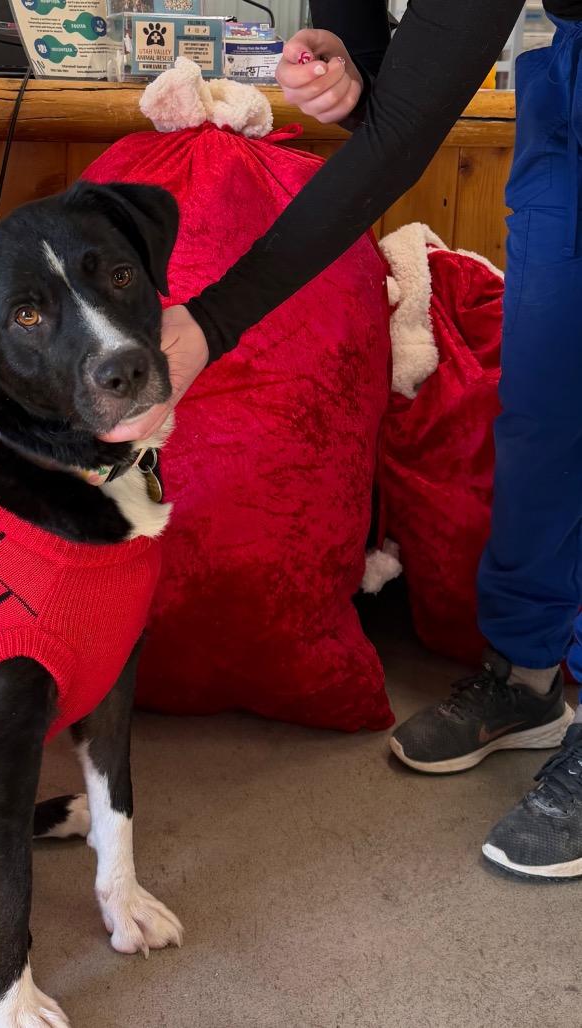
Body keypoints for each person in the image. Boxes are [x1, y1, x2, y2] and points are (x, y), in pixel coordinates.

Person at [105, 0, 582, 879]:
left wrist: (212, 321)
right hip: (573, 81)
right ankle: (528, 681)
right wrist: (346, 68)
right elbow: (381, 98)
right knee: (544, 407)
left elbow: (402, 135)